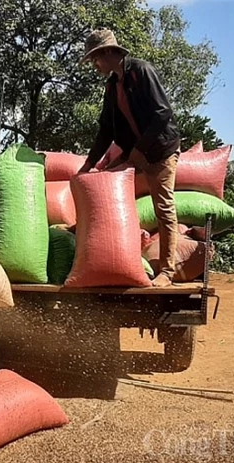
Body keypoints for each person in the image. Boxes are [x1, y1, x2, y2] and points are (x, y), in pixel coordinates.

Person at [78, 29, 180, 287]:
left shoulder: (141, 72)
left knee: (164, 208)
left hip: (160, 151)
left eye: (96, 59)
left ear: (109, 53)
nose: (95, 65)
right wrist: (89, 165)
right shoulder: (112, 85)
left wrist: (139, 151)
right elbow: (106, 129)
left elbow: (162, 114)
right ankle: (112, 260)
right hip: (134, 151)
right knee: (105, 186)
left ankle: (167, 272)